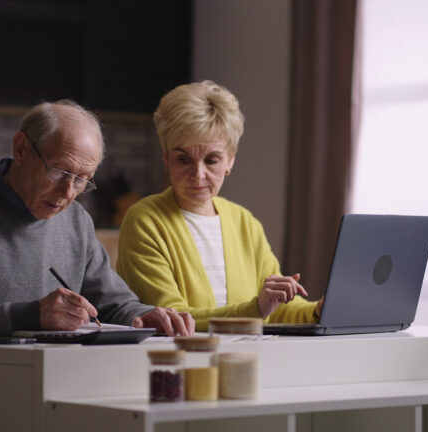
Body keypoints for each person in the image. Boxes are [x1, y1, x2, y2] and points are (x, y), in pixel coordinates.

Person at [0, 100, 195, 338]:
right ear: (21, 149)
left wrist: (143, 315)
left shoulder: (77, 220)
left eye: (82, 181)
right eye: (60, 172)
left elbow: (113, 302)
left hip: (54, 385)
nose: (68, 192)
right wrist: (30, 316)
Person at [116, 80, 322, 331]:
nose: (198, 174)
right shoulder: (144, 219)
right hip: (178, 363)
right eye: (184, 159)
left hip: (242, 360)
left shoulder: (244, 221)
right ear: (166, 158)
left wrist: (319, 310)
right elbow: (174, 318)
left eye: (212, 159)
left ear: (230, 160)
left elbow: (279, 309)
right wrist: (256, 308)